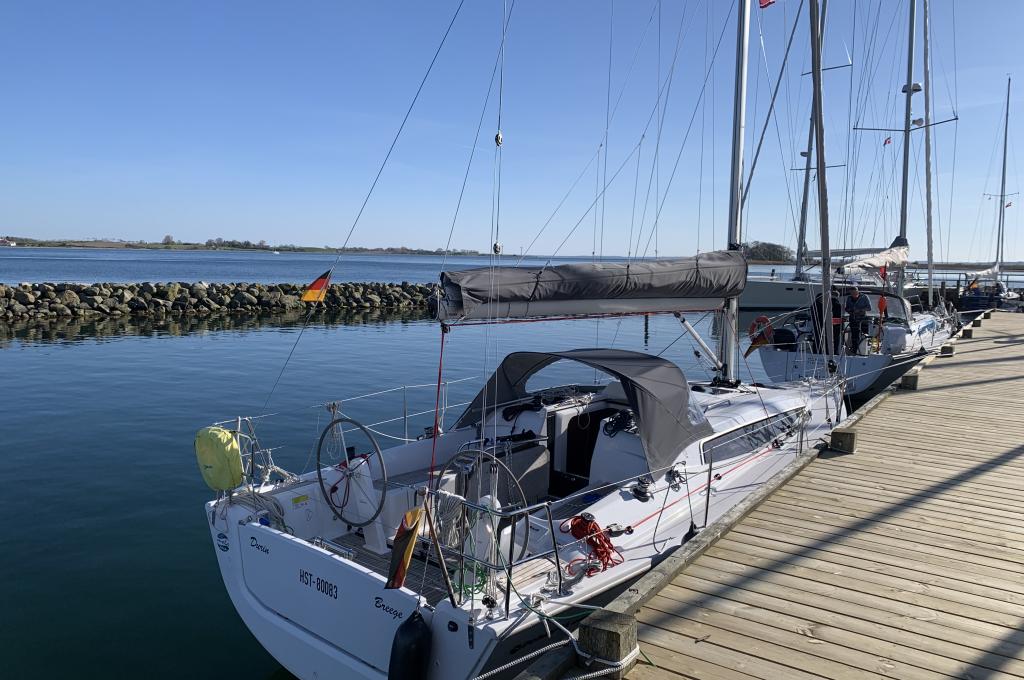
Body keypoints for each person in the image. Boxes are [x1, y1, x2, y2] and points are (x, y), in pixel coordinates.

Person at [810, 289, 843, 354]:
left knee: (819, 339)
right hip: (831, 325)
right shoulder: (835, 304)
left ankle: (817, 352)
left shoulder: (816, 305)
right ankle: (831, 352)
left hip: (820, 325)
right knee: (832, 340)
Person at [845, 286, 872, 354]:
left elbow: (869, 308)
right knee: (854, 336)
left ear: (857, 291)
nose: (853, 295)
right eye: (851, 293)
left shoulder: (864, 297)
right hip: (853, 319)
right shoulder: (849, 298)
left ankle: (863, 349)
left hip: (862, 319)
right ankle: (855, 350)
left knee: (864, 335)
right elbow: (847, 308)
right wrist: (850, 310)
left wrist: (859, 310)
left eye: (854, 293)